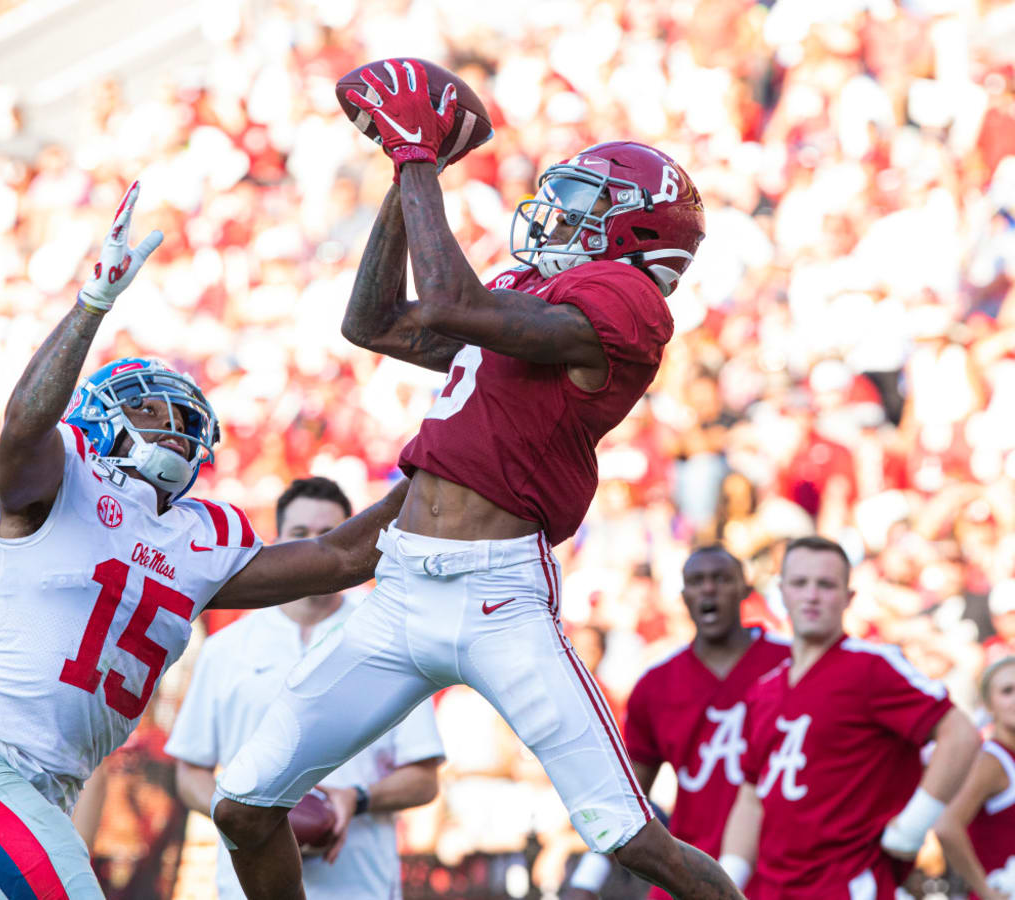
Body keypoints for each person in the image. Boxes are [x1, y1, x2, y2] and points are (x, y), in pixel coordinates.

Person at [213, 58, 748, 900]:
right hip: (399, 590)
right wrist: (404, 171)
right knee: (242, 805)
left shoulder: (628, 301)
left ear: (638, 234)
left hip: (499, 599)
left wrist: (420, 154)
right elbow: (375, 321)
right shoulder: (535, 291)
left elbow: (453, 302)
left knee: (633, 838)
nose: (559, 214)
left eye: (588, 204)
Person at [0, 183, 409, 899]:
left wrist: (438, 461)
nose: (174, 426)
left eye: (183, 418)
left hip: (45, 790)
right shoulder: (58, 476)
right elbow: (23, 427)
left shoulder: (203, 536)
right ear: (101, 419)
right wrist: (91, 307)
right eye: (150, 411)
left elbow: (342, 558)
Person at [165, 475, 445, 900]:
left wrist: (357, 798)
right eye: (300, 535)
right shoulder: (227, 648)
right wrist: (256, 817)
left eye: (328, 535)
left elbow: (424, 779)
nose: (315, 546)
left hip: (358, 886)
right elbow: (190, 772)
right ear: (279, 541)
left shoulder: (389, 640)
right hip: (245, 887)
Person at [719, 536, 980, 899]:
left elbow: (961, 734)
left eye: (825, 585)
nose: (811, 595)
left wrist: (912, 828)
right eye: (799, 583)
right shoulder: (763, 690)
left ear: (848, 597)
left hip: (850, 885)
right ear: (782, 592)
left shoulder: (871, 666)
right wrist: (728, 878)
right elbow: (752, 794)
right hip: (773, 888)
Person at [563, 545, 791, 900]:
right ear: (683, 596)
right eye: (698, 581)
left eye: (722, 579)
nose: (709, 589)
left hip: (781, 874)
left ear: (746, 590)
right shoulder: (657, 686)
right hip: (690, 877)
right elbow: (629, 797)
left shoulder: (788, 666)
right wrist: (587, 879)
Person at [933, 655, 1015, 900]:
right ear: (989, 706)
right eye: (1007, 691)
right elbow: (946, 826)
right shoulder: (992, 761)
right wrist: (985, 890)